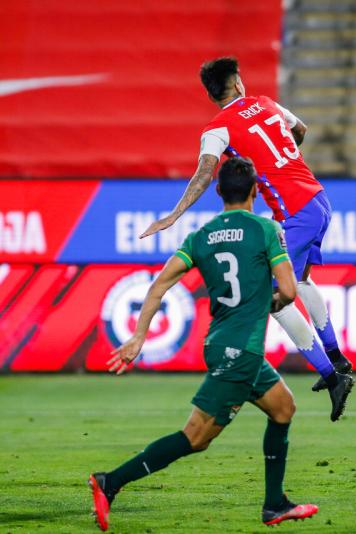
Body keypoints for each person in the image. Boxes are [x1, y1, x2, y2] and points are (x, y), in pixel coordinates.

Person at [88, 158, 322, 531]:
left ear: (217, 192)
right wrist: (268, 300)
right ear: (255, 190)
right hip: (241, 351)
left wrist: (139, 335)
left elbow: (159, 285)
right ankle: (110, 482)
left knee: (283, 408)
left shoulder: (201, 237)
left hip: (220, 343)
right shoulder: (266, 229)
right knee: (195, 438)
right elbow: (290, 292)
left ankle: (275, 504)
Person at [139, 56, 353, 399]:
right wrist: (282, 160)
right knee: (300, 280)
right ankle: (338, 359)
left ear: (212, 96)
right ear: (238, 83)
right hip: (317, 199)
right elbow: (301, 130)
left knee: (277, 298)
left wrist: (174, 215)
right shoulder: (265, 103)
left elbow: (205, 172)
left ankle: (331, 375)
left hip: (294, 212)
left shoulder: (216, 129)